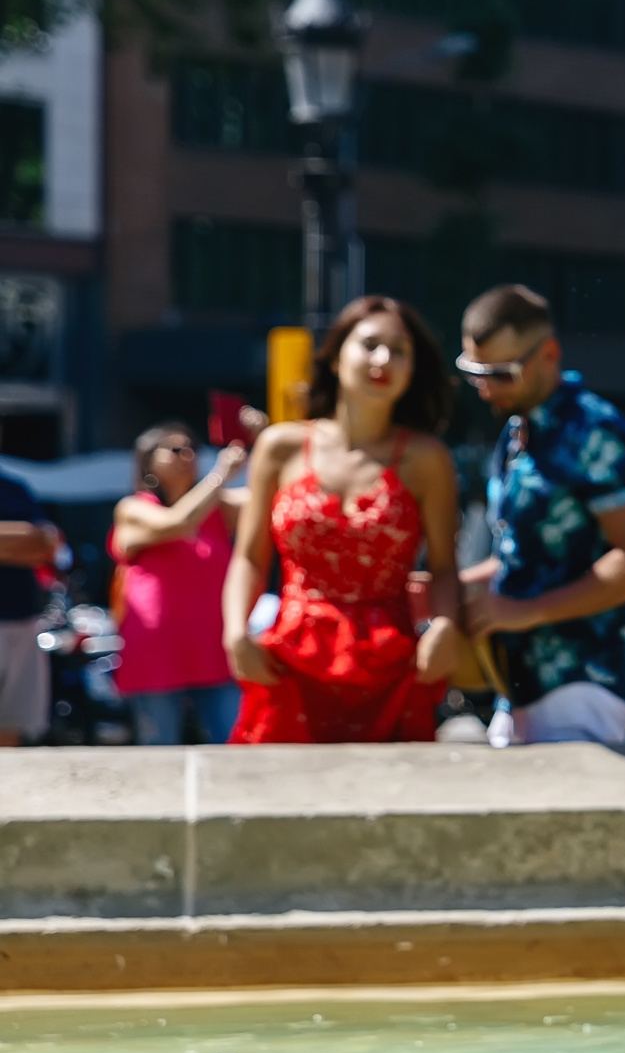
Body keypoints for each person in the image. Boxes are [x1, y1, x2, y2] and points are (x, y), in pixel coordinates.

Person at [223, 297, 465, 743]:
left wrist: (446, 625)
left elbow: (445, 567)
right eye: (370, 344)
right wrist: (236, 632)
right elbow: (249, 558)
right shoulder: (280, 447)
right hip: (289, 664)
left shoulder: (427, 459)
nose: (383, 359)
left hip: (392, 670)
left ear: (413, 370)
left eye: (399, 350)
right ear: (336, 358)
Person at [456, 285, 625, 745]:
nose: (486, 387)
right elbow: (528, 560)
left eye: (500, 373)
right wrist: (451, 592)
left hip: (582, 685)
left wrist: (523, 612)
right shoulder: (517, 432)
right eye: (475, 372)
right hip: (517, 690)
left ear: (548, 354)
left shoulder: (596, 432)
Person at [112, 424, 249, 745]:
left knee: (237, 749)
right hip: (156, 652)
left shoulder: (219, 507)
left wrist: (259, 441)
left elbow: (273, 497)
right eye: (175, 449)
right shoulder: (133, 508)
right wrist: (220, 474)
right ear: (148, 462)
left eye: (191, 448)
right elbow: (179, 522)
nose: (187, 456)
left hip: (215, 648)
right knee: (159, 754)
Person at [0, 465, 60, 748]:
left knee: (13, 724)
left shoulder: (15, 488)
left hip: (22, 620)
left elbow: (46, 545)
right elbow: (32, 541)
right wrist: (21, 542)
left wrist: (28, 541)